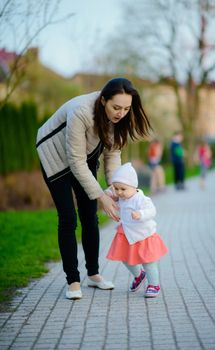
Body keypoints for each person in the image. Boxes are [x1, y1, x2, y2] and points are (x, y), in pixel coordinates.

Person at [36, 78, 152, 300]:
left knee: (90, 215)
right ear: (103, 101)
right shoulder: (82, 112)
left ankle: (93, 274)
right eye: (116, 107)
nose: (121, 113)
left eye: (126, 109)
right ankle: (73, 281)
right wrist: (101, 196)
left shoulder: (119, 119)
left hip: (82, 155)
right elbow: (75, 161)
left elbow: (112, 154)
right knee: (68, 218)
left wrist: (115, 190)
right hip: (55, 155)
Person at [106, 163, 168, 298]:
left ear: (134, 187)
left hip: (143, 235)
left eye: (123, 189)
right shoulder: (121, 197)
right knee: (125, 259)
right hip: (127, 233)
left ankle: (154, 284)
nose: (119, 192)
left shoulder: (141, 199)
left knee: (148, 261)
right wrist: (109, 194)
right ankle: (139, 275)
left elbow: (152, 211)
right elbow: (112, 197)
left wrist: (141, 214)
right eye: (116, 189)